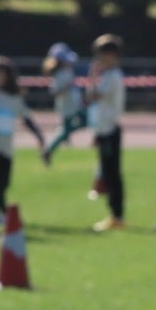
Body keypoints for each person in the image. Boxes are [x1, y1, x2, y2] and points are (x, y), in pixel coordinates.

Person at [0, 57, 42, 222]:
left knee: (4, 182)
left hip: (6, 147)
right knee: (2, 181)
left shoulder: (13, 99)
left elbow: (26, 118)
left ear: (7, 77)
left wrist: (39, 136)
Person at [84, 34, 127, 233]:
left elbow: (93, 96)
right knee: (108, 173)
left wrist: (92, 78)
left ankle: (117, 215)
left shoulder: (113, 76)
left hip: (110, 130)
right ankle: (114, 214)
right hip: (104, 129)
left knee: (112, 174)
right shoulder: (109, 76)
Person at [38, 43, 85, 166]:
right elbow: (54, 92)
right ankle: (48, 150)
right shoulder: (59, 75)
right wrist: (67, 87)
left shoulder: (68, 71)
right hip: (67, 108)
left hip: (74, 106)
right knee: (71, 128)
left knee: (71, 127)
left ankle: (50, 149)